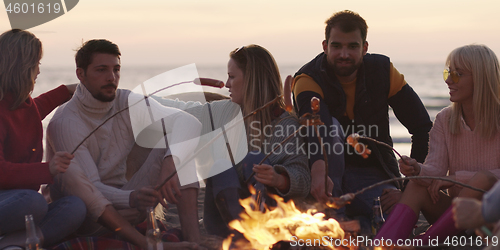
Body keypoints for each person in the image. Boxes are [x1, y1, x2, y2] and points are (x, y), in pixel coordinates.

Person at [46, 39, 203, 250]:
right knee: (86, 192)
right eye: (101, 70)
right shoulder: (65, 121)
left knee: (178, 143)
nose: (111, 78)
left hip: (130, 203)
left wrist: (170, 162)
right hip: (87, 217)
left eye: (116, 69)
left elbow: (188, 121)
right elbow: (89, 190)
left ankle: (194, 241)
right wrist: (131, 197)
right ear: (80, 74)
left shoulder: (127, 101)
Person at [292, 10, 432, 229]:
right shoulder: (308, 79)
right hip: (325, 175)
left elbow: (423, 128)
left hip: (374, 174)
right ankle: (337, 219)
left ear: (365, 48)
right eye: (336, 46)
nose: (344, 54)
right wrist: (319, 169)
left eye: (353, 46)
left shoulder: (383, 72)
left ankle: (357, 224)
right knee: (331, 128)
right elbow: (315, 130)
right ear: (324, 46)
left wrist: (407, 189)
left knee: (397, 221)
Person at [156, 44, 310, 237]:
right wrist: (132, 100)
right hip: (224, 221)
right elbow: (181, 111)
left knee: (253, 159)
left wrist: (279, 179)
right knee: (221, 165)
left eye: (232, 76)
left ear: (252, 80)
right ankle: (246, 235)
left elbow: (303, 178)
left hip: (271, 217)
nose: (227, 84)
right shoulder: (223, 112)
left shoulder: (285, 123)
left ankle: (256, 235)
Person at [376, 44, 500, 243]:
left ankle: (424, 244)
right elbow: (436, 170)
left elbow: (488, 179)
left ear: (481, 78)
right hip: (454, 215)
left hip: (490, 217)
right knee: (417, 185)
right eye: (448, 73)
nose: (449, 81)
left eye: (458, 74)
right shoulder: (445, 119)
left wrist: (454, 178)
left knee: (483, 179)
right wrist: (418, 169)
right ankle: (383, 244)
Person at [0, 29, 86, 248]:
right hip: (10, 201)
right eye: (37, 63)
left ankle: (14, 244)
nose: (39, 70)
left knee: (75, 207)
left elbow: (33, 111)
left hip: (17, 201)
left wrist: (68, 90)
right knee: (33, 203)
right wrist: (48, 169)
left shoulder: (21, 104)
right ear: (22, 67)